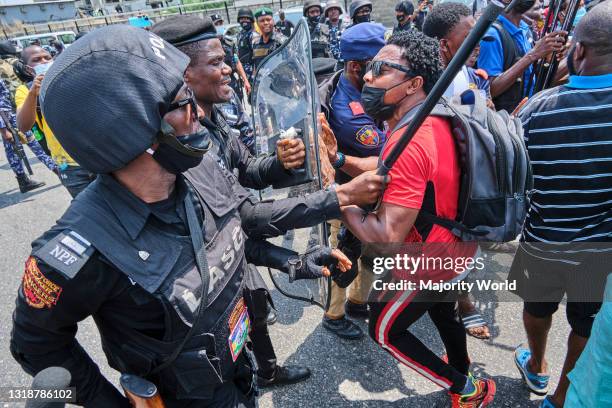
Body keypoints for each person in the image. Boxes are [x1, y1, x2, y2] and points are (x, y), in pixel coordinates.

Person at [10, 24, 359, 407]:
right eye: (181, 103)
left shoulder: (200, 170)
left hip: (238, 374)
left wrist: (295, 261)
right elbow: (36, 346)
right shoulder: (77, 250)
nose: (196, 112)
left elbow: (237, 229)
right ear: (132, 127)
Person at [152, 14, 388, 388]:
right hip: (200, 276)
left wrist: (281, 162)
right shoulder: (183, 143)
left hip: (231, 253)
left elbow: (248, 170)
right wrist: (338, 196)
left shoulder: (212, 121)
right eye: (215, 63)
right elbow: (246, 217)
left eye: (225, 59)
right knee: (223, 356)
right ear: (182, 75)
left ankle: (268, 370)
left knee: (256, 304)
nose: (229, 70)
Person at [340, 30, 497, 407]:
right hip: (457, 245)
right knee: (443, 311)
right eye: (369, 68)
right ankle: (463, 366)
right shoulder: (435, 116)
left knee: (384, 329)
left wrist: (338, 202)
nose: (367, 77)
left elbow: (384, 237)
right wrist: (336, 161)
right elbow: (385, 169)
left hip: (429, 260)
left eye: (380, 69)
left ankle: (465, 388)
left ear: (414, 84)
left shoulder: (409, 139)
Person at [508, 2, 612, 407]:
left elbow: (517, 180)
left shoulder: (537, 110)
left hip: (544, 238)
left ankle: (537, 365)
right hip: (600, 250)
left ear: (580, 52)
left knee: (537, 306)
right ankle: (563, 396)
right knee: (585, 322)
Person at [422, 1, 494, 340]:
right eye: (471, 35)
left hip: (470, 176)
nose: (478, 42)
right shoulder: (428, 84)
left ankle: (457, 294)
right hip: (445, 183)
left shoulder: (463, 67)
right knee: (448, 246)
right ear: (445, 45)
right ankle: (461, 303)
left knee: (465, 246)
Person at [318, 22, 387, 340]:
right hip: (348, 195)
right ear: (356, 66)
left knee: (372, 253)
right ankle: (334, 315)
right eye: (378, 64)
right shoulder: (347, 111)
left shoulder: (366, 88)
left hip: (374, 196)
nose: (384, 71)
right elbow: (385, 160)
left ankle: (359, 302)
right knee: (343, 253)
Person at [14, 45, 95, 198]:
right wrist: (33, 94)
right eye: (36, 60)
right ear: (27, 68)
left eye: (47, 57)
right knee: (92, 211)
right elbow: (23, 125)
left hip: (97, 154)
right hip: (69, 165)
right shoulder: (25, 91)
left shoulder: (70, 77)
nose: (44, 62)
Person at [477, 0, 567, 112]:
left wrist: (547, 58)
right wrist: (533, 55)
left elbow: (530, 78)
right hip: (506, 121)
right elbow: (489, 90)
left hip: (527, 113)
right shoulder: (492, 35)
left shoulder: (524, 29)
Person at [0, 78, 57, 193]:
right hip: (6, 118)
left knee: (16, 149)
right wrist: (3, 129)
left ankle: (24, 181)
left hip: (10, 115)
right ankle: (55, 169)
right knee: (28, 146)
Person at [251, 7, 287, 71]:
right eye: (262, 21)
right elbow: (255, 67)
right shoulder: (256, 44)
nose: (266, 23)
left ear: (273, 21)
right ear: (257, 23)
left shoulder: (283, 41)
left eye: (268, 20)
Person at [236, 8, 256, 84]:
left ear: (251, 20)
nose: (244, 21)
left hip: (252, 71)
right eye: (242, 19)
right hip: (243, 71)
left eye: (246, 18)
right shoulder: (240, 34)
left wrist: (254, 74)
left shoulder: (253, 34)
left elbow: (257, 56)